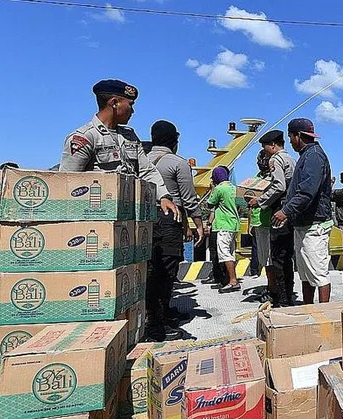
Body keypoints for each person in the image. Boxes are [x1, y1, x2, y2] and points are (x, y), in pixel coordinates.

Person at [60, 79, 179, 220]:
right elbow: (67, 183)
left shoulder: (130, 136)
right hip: (96, 219)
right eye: (130, 104)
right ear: (114, 103)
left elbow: (146, 170)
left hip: (127, 218)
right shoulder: (85, 137)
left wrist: (164, 196)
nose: (133, 111)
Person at [145, 121, 204, 341]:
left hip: (145, 220)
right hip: (169, 219)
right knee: (166, 270)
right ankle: (157, 324)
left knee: (152, 269)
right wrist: (198, 224)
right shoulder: (177, 163)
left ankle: (160, 314)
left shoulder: (143, 160)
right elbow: (188, 197)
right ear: (174, 141)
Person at [272, 119, 334, 304]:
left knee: (318, 274)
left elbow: (307, 192)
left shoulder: (313, 156)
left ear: (298, 135)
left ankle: (324, 315)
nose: (290, 141)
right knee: (306, 274)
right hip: (304, 224)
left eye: (291, 136)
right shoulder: (306, 155)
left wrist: (285, 211)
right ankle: (308, 308)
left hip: (315, 226)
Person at [251, 130, 297, 306]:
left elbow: (278, 186)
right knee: (287, 256)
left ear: (272, 145)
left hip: (280, 210)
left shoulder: (276, 160)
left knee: (277, 257)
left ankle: (281, 298)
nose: (265, 151)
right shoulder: (291, 159)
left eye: (265, 147)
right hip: (291, 209)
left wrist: (260, 200)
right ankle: (289, 293)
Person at [207, 166, 240, 293]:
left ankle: (232, 281)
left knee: (224, 254)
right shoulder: (233, 188)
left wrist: (212, 190)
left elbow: (210, 204)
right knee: (231, 253)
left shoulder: (219, 189)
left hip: (223, 225)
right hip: (234, 224)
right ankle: (229, 279)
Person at [248, 150, 272, 291]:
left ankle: (273, 287)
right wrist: (250, 222)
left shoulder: (273, 178)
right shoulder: (256, 178)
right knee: (263, 257)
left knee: (270, 257)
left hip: (269, 221)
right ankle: (269, 285)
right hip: (258, 221)